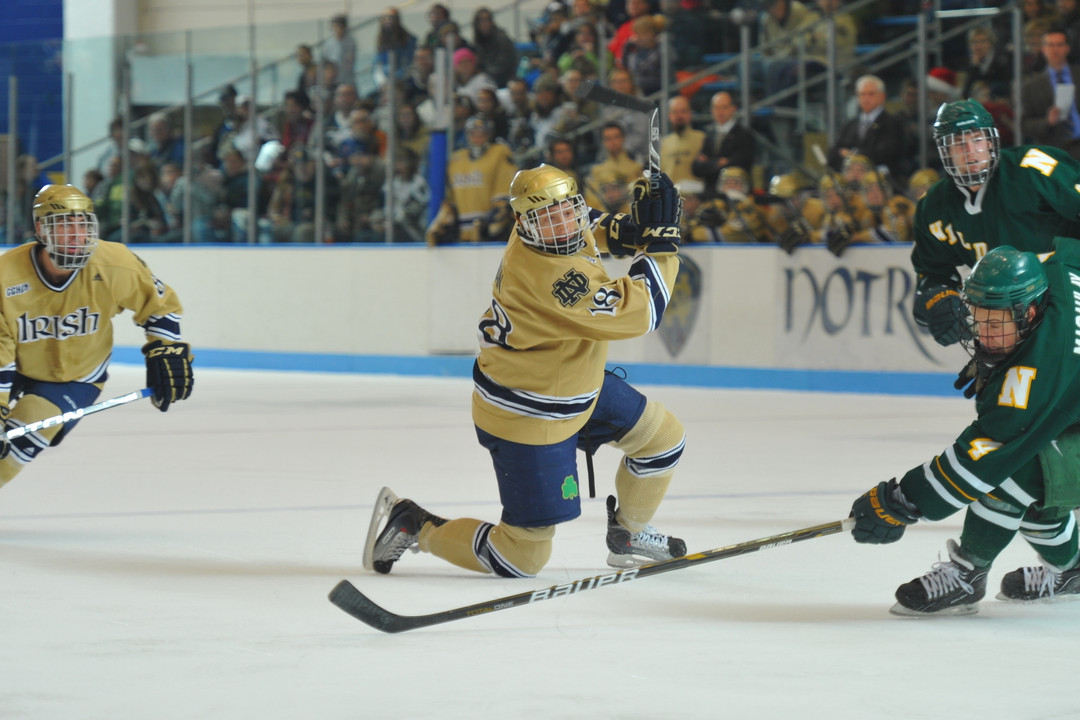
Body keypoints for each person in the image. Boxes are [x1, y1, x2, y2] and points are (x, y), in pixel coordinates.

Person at [364, 164, 688, 578]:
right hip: (529, 413)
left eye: (567, 209)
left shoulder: (537, 226)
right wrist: (660, 241)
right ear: (522, 222)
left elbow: (589, 223)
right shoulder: (552, 281)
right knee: (521, 557)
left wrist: (630, 229)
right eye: (547, 218)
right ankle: (413, 526)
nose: (562, 224)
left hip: (569, 382)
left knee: (662, 439)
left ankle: (630, 535)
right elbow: (642, 312)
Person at [849, 243, 1080, 614]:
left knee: (1016, 470)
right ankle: (1074, 569)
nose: (984, 334)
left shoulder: (1035, 376)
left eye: (996, 324)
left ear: (1030, 311)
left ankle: (967, 575)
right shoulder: (1058, 269)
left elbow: (983, 456)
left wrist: (902, 501)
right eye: (979, 319)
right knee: (1042, 484)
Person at [0, 185, 193, 489]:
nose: (77, 235)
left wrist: (167, 350)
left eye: (83, 224)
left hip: (75, 375)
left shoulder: (114, 262)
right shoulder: (5, 276)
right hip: (17, 363)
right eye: (64, 225)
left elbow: (160, 307)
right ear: (40, 229)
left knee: (22, 439)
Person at [912, 98, 1080, 347]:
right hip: (1007, 324)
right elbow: (932, 273)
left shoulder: (1033, 169)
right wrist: (939, 299)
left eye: (977, 139)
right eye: (958, 143)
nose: (970, 150)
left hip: (1069, 299)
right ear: (944, 151)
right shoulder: (933, 207)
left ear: (990, 141)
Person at [426, 115, 517, 244]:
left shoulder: (499, 153)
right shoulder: (456, 160)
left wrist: (498, 218)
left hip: (490, 234)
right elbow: (450, 200)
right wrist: (443, 220)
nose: (477, 137)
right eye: (473, 133)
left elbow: (504, 194)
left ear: (489, 135)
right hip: (461, 236)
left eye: (482, 133)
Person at [826, 75, 907, 180]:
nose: (866, 98)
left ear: (882, 96)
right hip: (850, 183)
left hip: (883, 182)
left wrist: (853, 155)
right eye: (862, 94)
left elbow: (887, 153)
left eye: (871, 94)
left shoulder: (893, 123)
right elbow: (833, 154)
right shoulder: (850, 124)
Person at [1021, 26, 1080, 160]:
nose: (1055, 49)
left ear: (1067, 48)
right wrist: (1046, 121)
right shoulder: (1031, 87)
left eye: (1059, 45)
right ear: (1043, 49)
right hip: (1053, 151)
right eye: (1050, 45)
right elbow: (1024, 125)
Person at [691, 91, 755, 197]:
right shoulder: (709, 134)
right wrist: (718, 163)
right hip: (711, 194)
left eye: (724, 107)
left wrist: (709, 163)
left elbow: (738, 164)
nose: (720, 112)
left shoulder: (744, 135)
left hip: (736, 193)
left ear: (733, 108)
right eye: (716, 108)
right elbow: (696, 168)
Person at [659, 95, 705, 186]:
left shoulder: (702, 139)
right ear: (669, 115)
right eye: (675, 112)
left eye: (683, 111)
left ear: (690, 114)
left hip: (694, 195)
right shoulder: (664, 143)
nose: (679, 116)